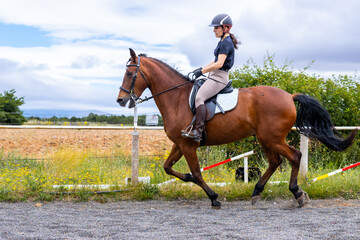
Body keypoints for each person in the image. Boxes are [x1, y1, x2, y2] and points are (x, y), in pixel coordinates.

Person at [182, 13, 240, 143]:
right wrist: (200, 70)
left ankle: (198, 131)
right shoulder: (222, 41)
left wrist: (202, 71)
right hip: (214, 75)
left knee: (199, 97)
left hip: (219, 77)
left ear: (225, 28)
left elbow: (219, 64)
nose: (214, 30)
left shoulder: (226, 43)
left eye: (216, 28)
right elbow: (215, 61)